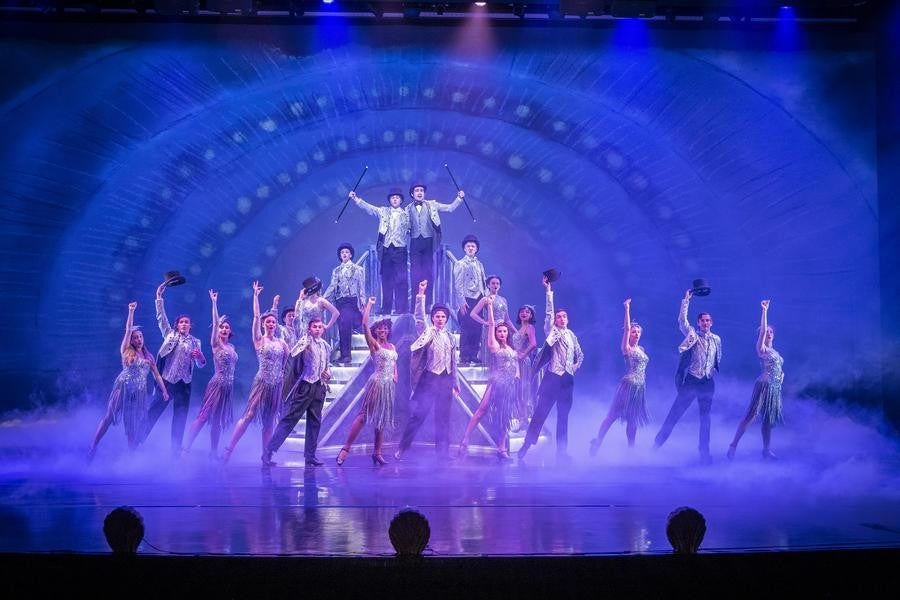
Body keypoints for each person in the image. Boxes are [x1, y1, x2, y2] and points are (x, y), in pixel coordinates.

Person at [88, 302, 168, 460]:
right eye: (135, 337)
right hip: (124, 388)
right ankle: (93, 446)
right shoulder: (127, 351)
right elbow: (127, 329)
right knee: (110, 417)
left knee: (133, 425)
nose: (138, 339)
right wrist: (131, 311)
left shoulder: (149, 356)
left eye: (140, 337)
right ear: (131, 340)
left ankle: (131, 458)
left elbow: (157, 375)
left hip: (138, 393)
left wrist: (164, 390)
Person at [518, 276, 584, 463]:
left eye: (563, 316)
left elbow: (581, 355)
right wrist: (548, 292)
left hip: (567, 381)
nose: (561, 319)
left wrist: (573, 368)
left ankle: (561, 453)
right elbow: (548, 313)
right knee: (540, 414)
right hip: (552, 378)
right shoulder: (551, 331)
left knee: (563, 418)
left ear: (568, 319)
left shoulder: (572, 335)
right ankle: (525, 446)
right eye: (558, 317)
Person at [222, 282, 289, 465]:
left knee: (269, 421)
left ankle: (266, 456)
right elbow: (256, 315)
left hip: (276, 385)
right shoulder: (259, 340)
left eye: (273, 322)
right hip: (261, 382)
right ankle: (228, 450)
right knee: (250, 414)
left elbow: (285, 362)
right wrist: (256, 296)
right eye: (267, 321)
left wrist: (281, 377)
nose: (271, 324)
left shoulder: (282, 343)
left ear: (276, 324)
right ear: (263, 324)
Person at [653, 289, 723, 463]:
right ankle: (656, 445)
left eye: (708, 321)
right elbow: (682, 321)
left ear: (711, 323)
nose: (706, 323)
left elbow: (717, 358)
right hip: (692, 381)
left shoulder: (717, 339)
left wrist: (711, 373)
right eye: (703, 321)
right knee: (674, 414)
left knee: (705, 420)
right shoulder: (693, 335)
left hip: (707, 383)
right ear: (698, 323)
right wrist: (686, 301)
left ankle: (704, 453)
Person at [395, 280, 460, 461]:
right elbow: (418, 317)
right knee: (419, 416)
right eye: (437, 316)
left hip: (446, 380)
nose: (440, 319)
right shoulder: (428, 332)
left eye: (443, 317)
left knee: (443, 418)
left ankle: (443, 453)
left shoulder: (451, 337)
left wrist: (456, 383)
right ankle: (402, 447)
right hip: (430, 379)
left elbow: (453, 363)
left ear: (446, 319)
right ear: (433, 318)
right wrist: (421, 294)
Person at [143, 277, 206, 455]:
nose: (184, 324)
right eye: (181, 322)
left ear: (190, 326)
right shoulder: (170, 335)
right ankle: (138, 441)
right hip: (167, 381)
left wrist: (200, 357)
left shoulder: (196, 342)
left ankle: (175, 451)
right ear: (177, 325)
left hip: (184, 384)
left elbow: (201, 364)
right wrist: (159, 297)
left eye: (187, 322)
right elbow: (161, 318)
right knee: (153, 412)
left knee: (180, 418)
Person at [264, 312, 332, 467]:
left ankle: (310, 456)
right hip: (305, 385)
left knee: (315, 422)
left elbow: (328, 365)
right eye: (314, 327)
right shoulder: (305, 341)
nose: (317, 329)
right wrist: (305, 343)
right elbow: (293, 354)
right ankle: (269, 450)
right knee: (290, 419)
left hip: (319, 386)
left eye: (319, 327)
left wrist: (328, 374)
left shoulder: (326, 346)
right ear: (309, 329)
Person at [336, 297, 397, 466]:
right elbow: (364, 325)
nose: (383, 331)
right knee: (363, 416)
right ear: (375, 331)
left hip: (389, 386)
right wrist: (369, 305)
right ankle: (345, 449)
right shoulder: (374, 345)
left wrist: (395, 374)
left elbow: (394, 362)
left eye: (385, 328)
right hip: (377, 383)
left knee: (382, 418)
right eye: (379, 329)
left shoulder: (392, 347)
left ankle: (377, 453)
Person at [458, 296, 519, 459]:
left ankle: (501, 447)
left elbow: (516, 365)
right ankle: (465, 439)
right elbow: (491, 324)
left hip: (509, 385)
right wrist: (490, 307)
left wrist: (517, 377)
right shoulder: (494, 346)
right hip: (496, 383)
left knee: (504, 414)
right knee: (482, 410)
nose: (502, 333)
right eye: (500, 331)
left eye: (504, 331)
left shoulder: (512, 348)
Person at [181, 290, 238, 460]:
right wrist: (214, 303)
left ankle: (213, 451)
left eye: (227, 327)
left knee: (217, 421)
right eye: (222, 327)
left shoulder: (232, 347)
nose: (224, 329)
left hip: (228, 387)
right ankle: (185, 448)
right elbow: (214, 323)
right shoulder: (216, 344)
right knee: (204, 416)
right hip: (217, 384)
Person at [589, 299, 650, 454]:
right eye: (633, 332)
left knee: (633, 420)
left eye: (638, 332)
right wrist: (627, 308)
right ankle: (598, 442)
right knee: (613, 416)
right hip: (628, 386)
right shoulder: (626, 348)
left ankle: (631, 450)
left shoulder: (641, 349)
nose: (635, 334)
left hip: (639, 389)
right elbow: (627, 329)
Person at [727, 300, 784, 460]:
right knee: (751, 415)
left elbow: (779, 368)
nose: (768, 333)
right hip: (764, 385)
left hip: (774, 388)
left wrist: (782, 377)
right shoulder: (762, 349)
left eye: (771, 332)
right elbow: (763, 329)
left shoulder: (775, 352)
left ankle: (766, 450)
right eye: (766, 332)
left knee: (768, 419)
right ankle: (733, 445)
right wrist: (764, 311)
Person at [350, 188, 410, 315]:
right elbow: (370, 208)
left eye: (397, 197)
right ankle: (386, 308)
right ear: (389, 200)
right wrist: (356, 199)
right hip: (386, 249)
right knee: (386, 280)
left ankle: (402, 309)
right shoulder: (383, 211)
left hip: (400, 249)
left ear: (401, 200)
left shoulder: (406, 214)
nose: (395, 199)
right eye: (392, 197)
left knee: (401, 281)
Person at [407, 182, 465, 308]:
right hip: (415, 242)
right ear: (412, 194)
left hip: (429, 241)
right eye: (417, 190)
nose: (419, 192)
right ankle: (414, 305)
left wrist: (459, 199)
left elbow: (449, 208)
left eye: (421, 190)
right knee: (415, 274)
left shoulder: (432, 205)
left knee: (428, 274)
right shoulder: (407, 209)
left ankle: (427, 304)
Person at [282, 278, 338, 403]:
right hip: (304, 334)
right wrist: (300, 299)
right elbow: (297, 316)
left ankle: (318, 390)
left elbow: (336, 313)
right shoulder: (303, 301)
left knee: (317, 363)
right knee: (301, 365)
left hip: (317, 333)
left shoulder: (321, 300)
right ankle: (296, 395)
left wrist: (327, 326)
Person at [323, 242, 366, 365]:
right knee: (342, 328)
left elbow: (361, 287)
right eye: (342, 252)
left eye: (346, 252)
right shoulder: (336, 270)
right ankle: (344, 355)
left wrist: (363, 303)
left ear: (351, 254)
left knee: (345, 326)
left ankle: (346, 355)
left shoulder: (358, 270)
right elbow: (332, 286)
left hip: (350, 301)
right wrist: (324, 299)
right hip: (339, 301)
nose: (344, 254)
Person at [452, 234, 487, 365]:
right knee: (466, 328)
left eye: (473, 246)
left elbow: (484, 281)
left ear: (476, 248)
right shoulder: (460, 264)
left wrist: (486, 297)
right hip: (467, 299)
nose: (471, 248)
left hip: (479, 298)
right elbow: (458, 284)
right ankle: (464, 355)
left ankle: (473, 354)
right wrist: (461, 302)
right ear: (464, 249)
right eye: (468, 246)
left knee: (477, 328)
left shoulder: (480, 264)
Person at [469, 275, 516, 367]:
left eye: (497, 283)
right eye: (493, 283)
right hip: (491, 330)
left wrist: (516, 331)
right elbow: (473, 314)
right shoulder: (485, 299)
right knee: (493, 355)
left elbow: (507, 319)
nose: (495, 285)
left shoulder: (503, 300)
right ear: (488, 285)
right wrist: (485, 322)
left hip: (503, 330)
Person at [510, 304, 538, 429]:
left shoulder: (530, 327)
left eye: (527, 312)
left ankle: (525, 419)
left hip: (524, 361)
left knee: (523, 389)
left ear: (531, 315)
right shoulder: (519, 329)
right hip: (515, 361)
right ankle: (522, 418)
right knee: (517, 389)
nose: (524, 313)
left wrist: (523, 354)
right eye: (522, 311)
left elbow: (533, 344)